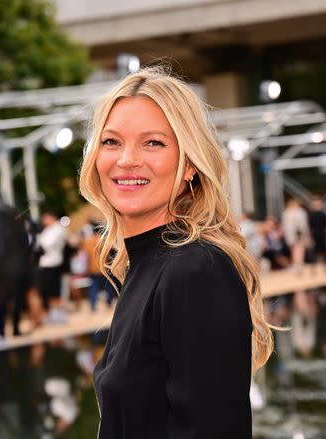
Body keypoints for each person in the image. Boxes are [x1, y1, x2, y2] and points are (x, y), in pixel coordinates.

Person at [78, 66, 273, 438]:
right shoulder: (144, 264)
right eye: (111, 141)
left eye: (153, 143)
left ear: (189, 165)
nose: (127, 160)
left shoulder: (195, 269)